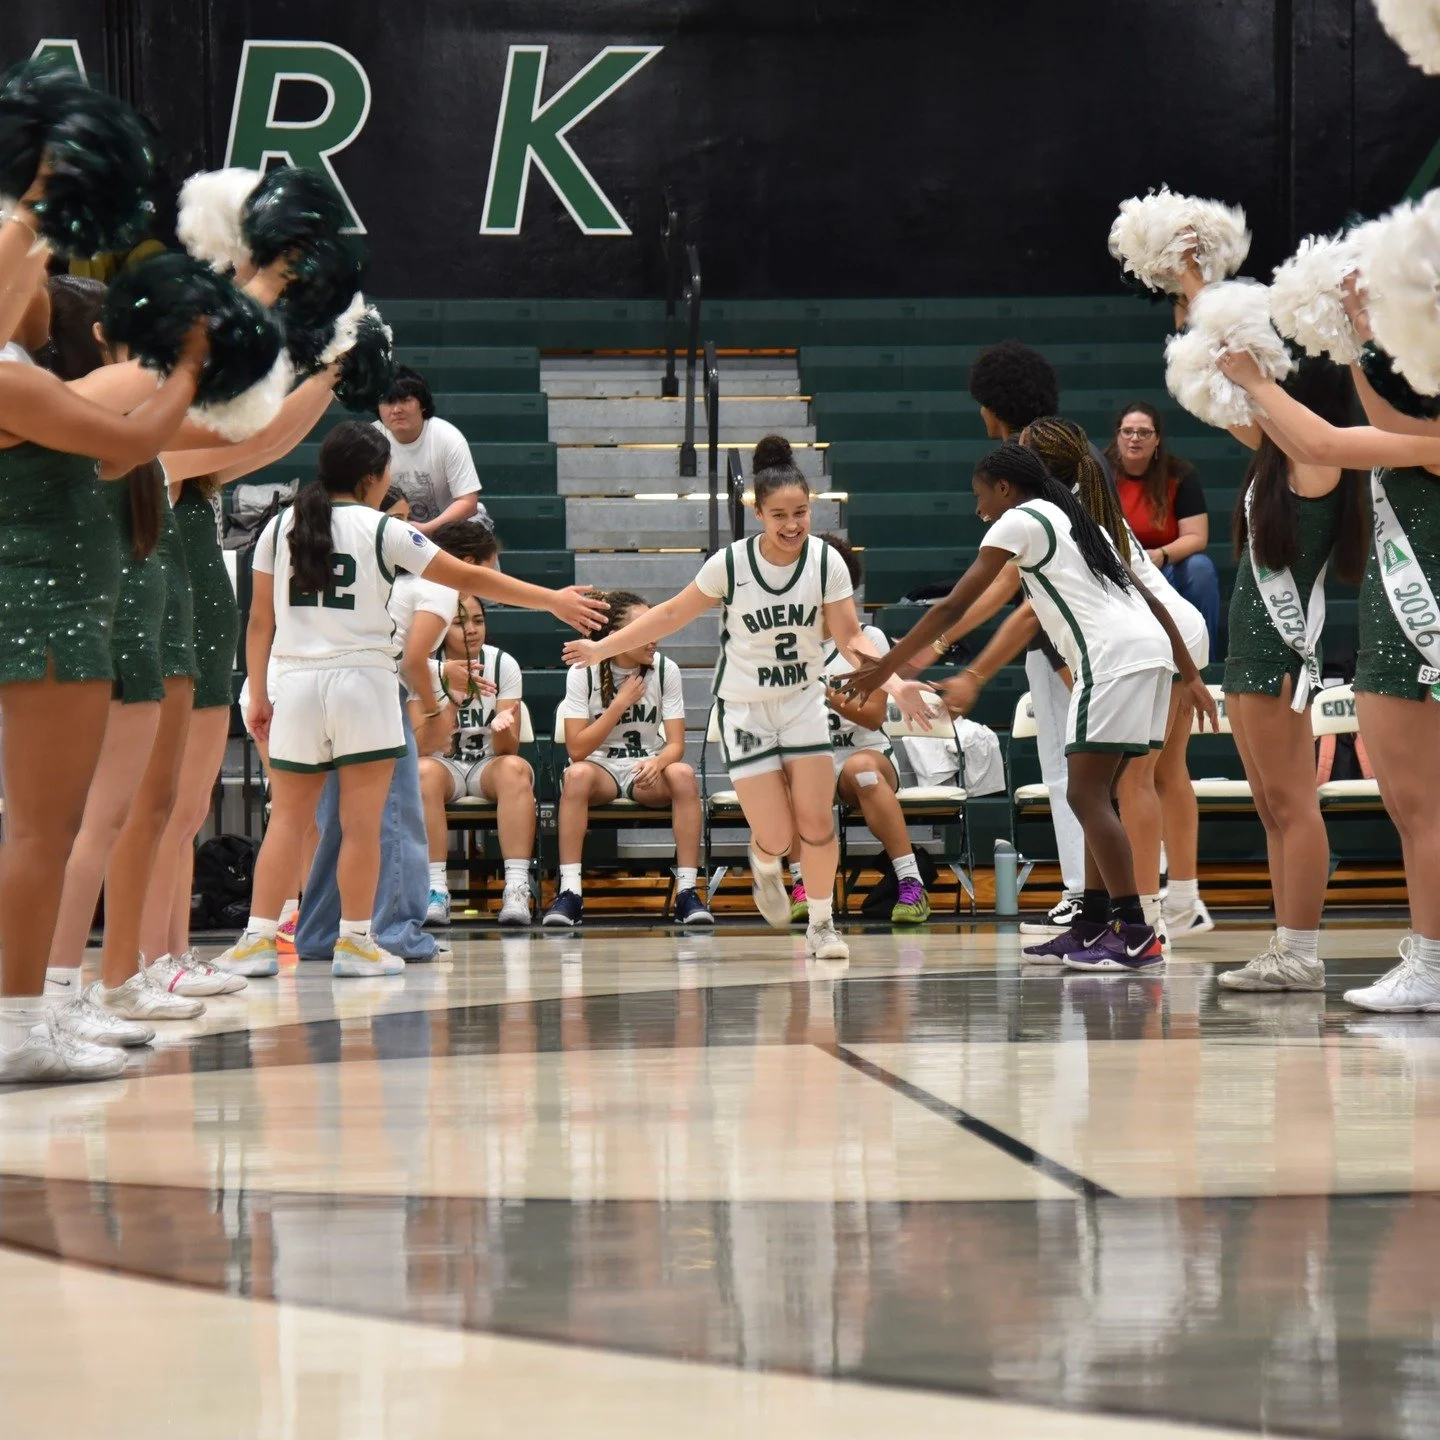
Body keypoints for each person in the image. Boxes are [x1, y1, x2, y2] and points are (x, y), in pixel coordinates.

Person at [213, 421, 604, 980]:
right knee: (364, 822)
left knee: (289, 822)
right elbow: (469, 575)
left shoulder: (278, 525)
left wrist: (255, 692)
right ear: (372, 479)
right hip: (364, 685)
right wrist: (552, 601)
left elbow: (257, 622)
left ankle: (256, 940)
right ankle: (354, 943)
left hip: (294, 682)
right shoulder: (382, 530)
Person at [841, 443, 1218, 973]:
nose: (978, 511)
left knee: (1087, 794)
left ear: (1004, 488)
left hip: (1112, 660)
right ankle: (1090, 925)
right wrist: (1192, 673)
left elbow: (954, 605)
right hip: (1152, 654)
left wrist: (885, 669)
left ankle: (1136, 934)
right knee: (1100, 795)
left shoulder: (1020, 520)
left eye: (980, 497)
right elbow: (1150, 599)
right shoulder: (1079, 519)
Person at [564, 435, 929, 960]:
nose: (792, 524)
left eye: (801, 512)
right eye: (779, 514)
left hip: (802, 702)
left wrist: (896, 683)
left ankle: (823, 925)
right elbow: (668, 615)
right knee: (778, 835)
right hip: (746, 710)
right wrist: (601, 649)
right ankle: (765, 862)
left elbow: (851, 640)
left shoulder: (827, 562)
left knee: (818, 821)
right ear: (758, 512)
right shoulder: (729, 565)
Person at [0, 304, 209, 1080]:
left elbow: (236, 437)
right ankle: (42, 1003)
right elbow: (143, 428)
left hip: (97, 630)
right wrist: (212, 332)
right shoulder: (44, 397)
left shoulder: (67, 409)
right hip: (55, 626)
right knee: (58, 831)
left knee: (110, 821)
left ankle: (54, 996)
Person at [1218, 342, 1440, 1010]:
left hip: (1403, 642)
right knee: (1309, 809)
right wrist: (1195, 291)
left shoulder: (1390, 445)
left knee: (1410, 813)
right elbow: (1231, 403)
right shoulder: (1360, 445)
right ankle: (1305, 950)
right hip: (1379, 642)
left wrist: (1353, 342)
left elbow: (1319, 432)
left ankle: (1341, 953)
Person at [1017, 418, 1214, 946]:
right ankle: (1182, 900)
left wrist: (966, 665)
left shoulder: (1048, 517)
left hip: (1151, 637)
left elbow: (1017, 611)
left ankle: (1142, 917)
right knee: (1166, 773)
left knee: (1129, 783)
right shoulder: (1086, 496)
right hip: (1177, 629)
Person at [290, 520, 506, 964]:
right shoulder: (441, 589)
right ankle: (393, 934)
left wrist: (438, 676)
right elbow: (411, 659)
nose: (496, 575)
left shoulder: (399, 583)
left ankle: (317, 934)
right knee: (396, 821)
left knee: (341, 825)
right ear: (466, 564)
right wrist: (432, 709)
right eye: (492, 566)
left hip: (323, 689)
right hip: (377, 697)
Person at [956, 341, 1116, 933]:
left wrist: (960, 655)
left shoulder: (1029, 461)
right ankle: (1134, 901)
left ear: (994, 406)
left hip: (1071, 639)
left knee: (1068, 775)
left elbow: (1032, 579)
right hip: (1100, 632)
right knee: (1113, 778)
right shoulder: (1080, 447)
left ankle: (1085, 895)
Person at [546, 589, 712, 928]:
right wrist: (619, 704)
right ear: (616, 636)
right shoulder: (583, 672)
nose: (654, 639)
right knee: (575, 775)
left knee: (682, 774)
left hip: (645, 770)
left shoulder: (666, 670)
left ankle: (687, 891)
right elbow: (577, 750)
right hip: (601, 771)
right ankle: (570, 891)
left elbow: (676, 744)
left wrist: (659, 763)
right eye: (645, 630)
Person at [791, 535, 930, 925]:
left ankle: (910, 883)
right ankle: (802, 884)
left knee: (862, 772)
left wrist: (824, 693)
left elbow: (871, 716)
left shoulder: (868, 640)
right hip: (809, 759)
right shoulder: (782, 644)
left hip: (862, 750)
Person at [418, 590, 538, 927]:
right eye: (460, 622)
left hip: (487, 764)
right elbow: (423, 745)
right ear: (441, 626)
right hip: (443, 763)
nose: (471, 629)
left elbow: (507, 750)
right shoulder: (423, 666)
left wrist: (502, 726)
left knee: (516, 769)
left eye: (478, 620)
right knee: (421, 773)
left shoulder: (504, 664)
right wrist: (454, 700)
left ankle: (515, 888)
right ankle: (435, 889)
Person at [1107, 402, 1221, 645]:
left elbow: (1197, 536)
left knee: (1200, 569)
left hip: (1164, 565)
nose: (1134, 438)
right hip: (1115, 565)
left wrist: (1161, 555)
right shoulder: (1099, 472)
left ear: (1157, 439)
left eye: (1144, 432)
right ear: (1118, 435)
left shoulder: (1180, 474)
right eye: (1127, 431)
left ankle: (1203, 662)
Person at [375, 367, 489, 534]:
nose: (396, 410)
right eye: (388, 402)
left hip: (449, 527)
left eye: (405, 400)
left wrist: (426, 529)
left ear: (422, 405)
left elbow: (467, 502)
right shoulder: (371, 440)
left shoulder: (448, 438)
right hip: (393, 531)